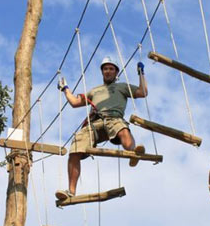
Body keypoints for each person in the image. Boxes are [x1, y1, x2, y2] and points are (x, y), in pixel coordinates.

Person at [55, 56, 148, 200]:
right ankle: (71, 191)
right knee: (75, 148)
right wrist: (66, 89)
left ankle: (133, 153)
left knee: (122, 129)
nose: (108, 71)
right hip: (95, 122)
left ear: (116, 72)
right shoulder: (94, 91)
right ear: (102, 72)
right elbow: (74, 102)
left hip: (114, 118)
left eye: (111, 69)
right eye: (105, 69)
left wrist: (141, 73)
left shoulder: (122, 87)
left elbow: (143, 92)